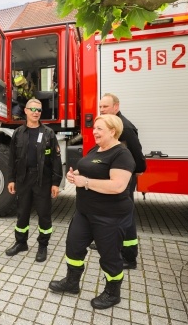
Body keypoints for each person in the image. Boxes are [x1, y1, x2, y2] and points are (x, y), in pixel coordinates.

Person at [49, 114, 135, 309]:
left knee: (110, 256)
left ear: (113, 131)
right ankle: (72, 283)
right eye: (94, 127)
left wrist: (85, 182)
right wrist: (76, 174)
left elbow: (118, 186)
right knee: (73, 247)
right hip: (84, 213)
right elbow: (90, 169)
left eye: (99, 128)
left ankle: (113, 293)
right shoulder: (97, 149)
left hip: (109, 217)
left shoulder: (121, 154)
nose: (94, 131)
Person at [94, 93, 147, 269]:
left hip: (122, 180)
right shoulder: (109, 126)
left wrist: (134, 171)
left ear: (116, 107)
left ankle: (130, 257)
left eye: (105, 107)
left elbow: (138, 158)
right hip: (110, 177)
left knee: (126, 216)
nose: (101, 109)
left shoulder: (126, 128)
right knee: (110, 213)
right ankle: (110, 243)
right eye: (100, 107)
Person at [6, 98, 62, 262]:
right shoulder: (18, 133)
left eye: (38, 110)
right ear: (26, 111)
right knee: (22, 213)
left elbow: (56, 160)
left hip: (42, 180)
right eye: (32, 109)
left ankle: (43, 245)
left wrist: (55, 183)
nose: (36, 112)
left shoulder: (48, 133)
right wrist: (11, 179)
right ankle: (21, 243)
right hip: (23, 179)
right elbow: (11, 159)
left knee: (44, 214)